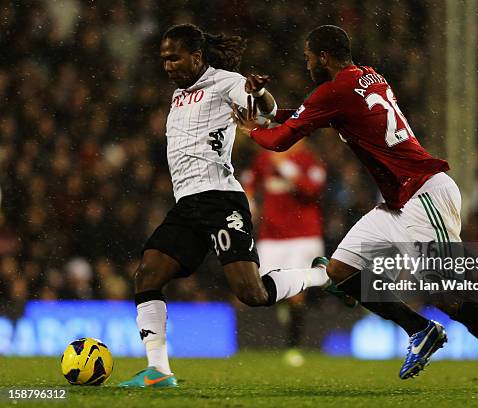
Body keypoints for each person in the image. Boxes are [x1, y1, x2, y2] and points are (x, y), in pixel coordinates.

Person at [233, 25, 478, 393]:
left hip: (424, 193)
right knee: (340, 272)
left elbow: (282, 137)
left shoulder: (337, 90)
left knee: (449, 297)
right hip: (398, 200)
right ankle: (419, 329)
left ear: (323, 57)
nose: (305, 64)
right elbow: (295, 114)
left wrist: (250, 132)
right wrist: (265, 99)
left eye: (307, 57)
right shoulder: (364, 78)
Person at [119, 23, 332, 388]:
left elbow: (268, 112)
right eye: (163, 59)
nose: (167, 65)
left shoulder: (227, 82)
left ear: (197, 57)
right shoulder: (178, 94)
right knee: (147, 276)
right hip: (186, 205)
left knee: (251, 294)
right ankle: (159, 371)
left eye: (174, 58)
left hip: (220, 199)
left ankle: (323, 275)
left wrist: (260, 92)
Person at [243, 140, 326, 366]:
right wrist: (249, 202)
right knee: (261, 287)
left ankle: (293, 348)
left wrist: (285, 166)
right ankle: (285, 310)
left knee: (297, 292)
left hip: (303, 236)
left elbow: (311, 189)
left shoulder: (309, 161)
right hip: (271, 236)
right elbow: (250, 182)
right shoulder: (264, 158)